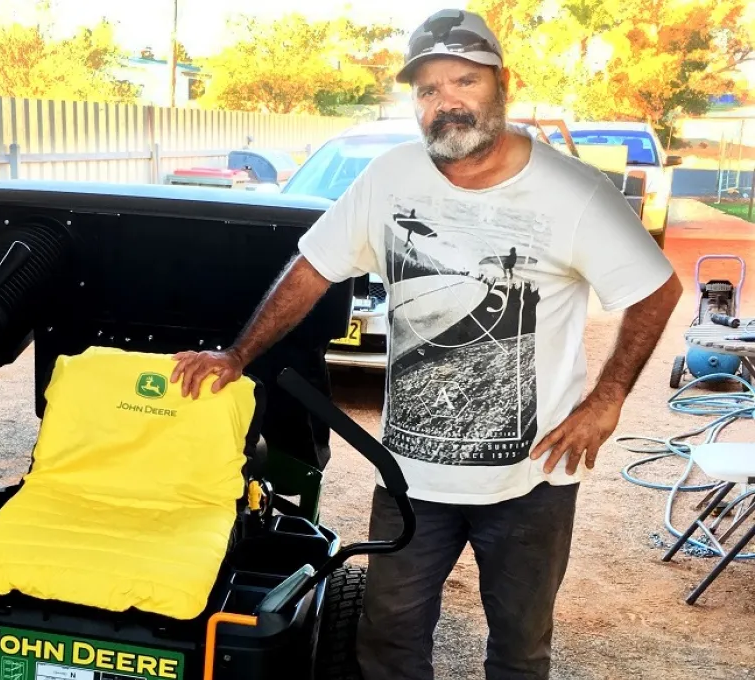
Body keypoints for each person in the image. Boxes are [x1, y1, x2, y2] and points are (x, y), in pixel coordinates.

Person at [171, 8, 681, 679]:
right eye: (428, 89)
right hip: (411, 477)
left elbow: (656, 288)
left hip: (530, 482)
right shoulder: (389, 178)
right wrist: (237, 355)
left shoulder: (571, 191)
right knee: (388, 638)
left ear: (504, 84)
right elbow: (312, 266)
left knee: (521, 650)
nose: (447, 103)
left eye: (464, 82)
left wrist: (607, 398)